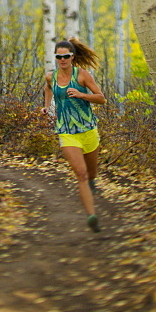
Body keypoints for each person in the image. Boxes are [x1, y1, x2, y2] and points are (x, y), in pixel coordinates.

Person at [41, 37, 106, 233]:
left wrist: (82, 95)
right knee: (81, 173)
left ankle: (91, 186)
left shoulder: (82, 75)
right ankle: (91, 216)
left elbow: (102, 99)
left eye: (66, 56)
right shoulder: (50, 77)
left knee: (92, 174)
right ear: (56, 57)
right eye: (59, 56)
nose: (62, 60)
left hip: (87, 130)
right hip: (66, 131)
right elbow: (47, 89)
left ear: (72, 57)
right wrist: (46, 108)